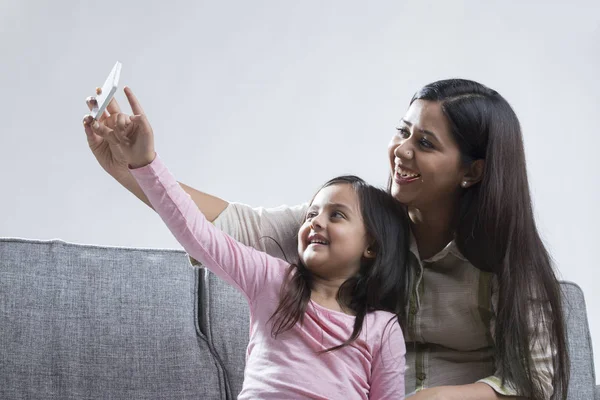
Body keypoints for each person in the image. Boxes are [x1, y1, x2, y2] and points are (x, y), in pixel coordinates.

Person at [83, 78, 569, 400]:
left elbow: (538, 381)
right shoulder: (353, 223)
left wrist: (435, 398)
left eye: (425, 143)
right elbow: (228, 228)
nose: (401, 151)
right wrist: (133, 170)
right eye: (403, 132)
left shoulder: (508, 262)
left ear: (473, 171)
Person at [82, 89, 411, 399]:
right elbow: (200, 235)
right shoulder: (273, 280)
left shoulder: (382, 329)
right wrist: (144, 163)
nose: (315, 221)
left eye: (336, 215)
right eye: (312, 213)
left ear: (372, 247)